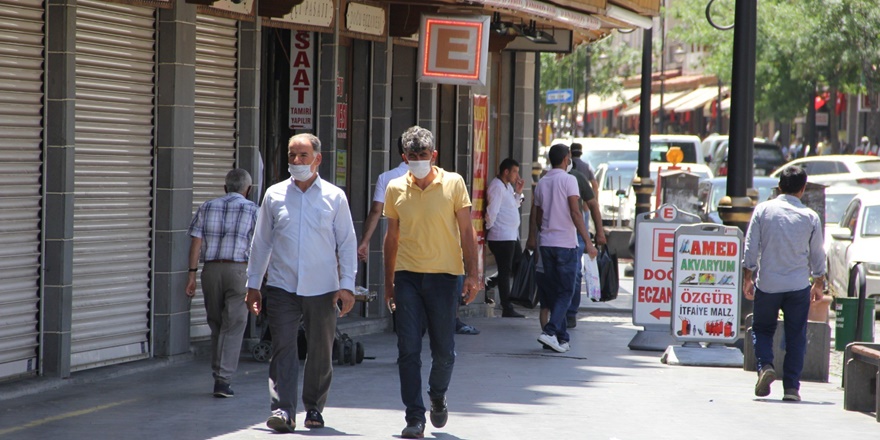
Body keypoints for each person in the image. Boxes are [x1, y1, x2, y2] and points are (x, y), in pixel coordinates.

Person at [244, 133, 357, 433]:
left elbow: (346, 243)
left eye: (303, 156)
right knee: (283, 347)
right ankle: (283, 410)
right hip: (282, 286)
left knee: (320, 350)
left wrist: (347, 285)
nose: (296, 161)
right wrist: (253, 284)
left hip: (323, 288)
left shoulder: (335, 197)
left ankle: (314, 408)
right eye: (292, 156)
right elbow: (261, 243)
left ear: (318, 159)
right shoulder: (274, 195)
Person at [383, 126, 479, 438]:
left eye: (423, 155)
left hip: (446, 278)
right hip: (407, 277)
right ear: (404, 157)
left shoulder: (454, 183)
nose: (418, 160)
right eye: (412, 156)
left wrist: (474, 276)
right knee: (407, 349)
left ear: (433, 155)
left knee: (444, 351)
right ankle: (414, 417)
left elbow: (467, 232)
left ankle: (437, 394)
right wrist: (388, 283)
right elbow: (391, 238)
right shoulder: (395, 188)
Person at [742, 165, 825, 402]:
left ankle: (766, 366)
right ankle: (791, 388)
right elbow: (817, 254)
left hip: (768, 284)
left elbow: (751, 247)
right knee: (796, 335)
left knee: (762, 329)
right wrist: (818, 282)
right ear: (803, 189)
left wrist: (749, 277)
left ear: (779, 186)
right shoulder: (810, 217)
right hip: (798, 286)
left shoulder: (763, 211)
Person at [185, 168, 258, 398]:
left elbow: (196, 243)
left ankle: (219, 372)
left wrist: (191, 274)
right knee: (234, 324)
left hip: (211, 270)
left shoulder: (207, 206)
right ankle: (223, 379)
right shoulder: (254, 210)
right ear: (248, 190)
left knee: (217, 322)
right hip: (239, 271)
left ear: (225, 187)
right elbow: (260, 246)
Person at [525, 144, 597, 353]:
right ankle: (549, 332)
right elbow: (576, 213)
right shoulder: (569, 180)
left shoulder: (542, 182)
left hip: (546, 243)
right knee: (566, 291)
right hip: (565, 244)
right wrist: (589, 242)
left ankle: (561, 338)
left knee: (557, 292)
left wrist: (544, 232)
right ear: (567, 159)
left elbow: (537, 216)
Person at [484, 158, 526, 318]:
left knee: (516, 266)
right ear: (506, 171)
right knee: (504, 270)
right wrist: (489, 228)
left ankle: (488, 284)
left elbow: (513, 205)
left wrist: (518, 192)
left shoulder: (507, 186)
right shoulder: (497, 187)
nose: (517, 175)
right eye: (515, 171)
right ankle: (507, 307)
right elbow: (492, 211)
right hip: (501, 236)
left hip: (511, 235)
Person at [357, 137, 409, 261]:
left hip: (396, 243)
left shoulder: (386, 177)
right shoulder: (435, 177)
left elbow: (376, 210)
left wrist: (365, 241)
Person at [565, 164, 604, 328]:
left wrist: (599, 233)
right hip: (553, 236)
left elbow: (592, 204)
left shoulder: (576, 177)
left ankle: (570, 313)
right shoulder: (548, 178)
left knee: (574, 274)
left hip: (575, 233)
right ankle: (558, 313)